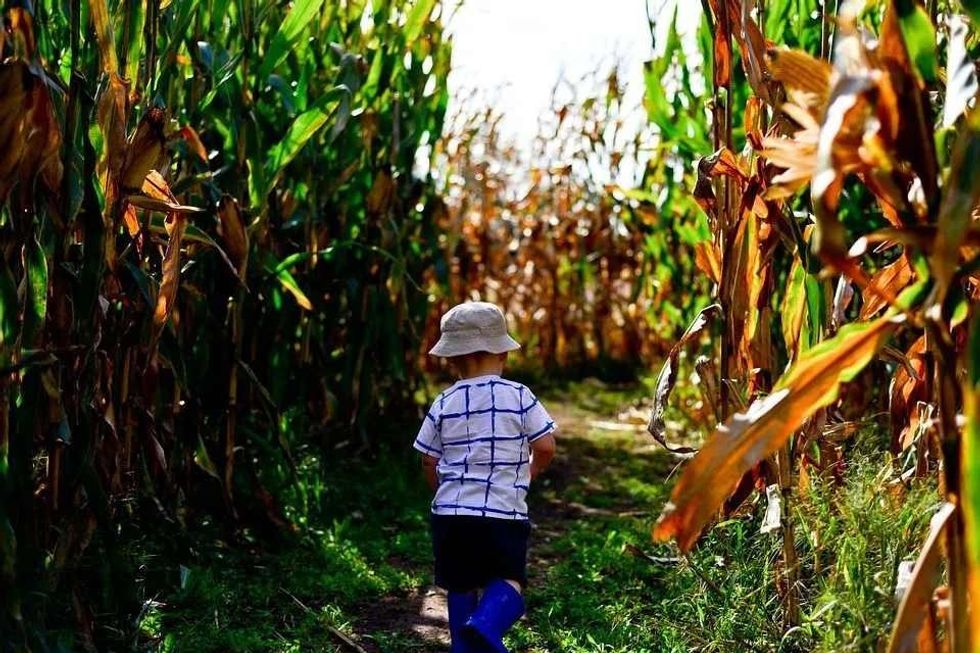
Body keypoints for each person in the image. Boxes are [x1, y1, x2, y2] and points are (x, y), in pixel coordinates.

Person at [414, 301, 557, 653]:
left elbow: (428, 460)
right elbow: (547, 445)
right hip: (502, 512)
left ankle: (463, 646)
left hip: (451, 516)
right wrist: (530, 470)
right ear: (502, 355)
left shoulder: (443, 401)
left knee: (460, 584)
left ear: (452, 360)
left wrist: (443, 492)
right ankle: (486, 623)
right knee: (509, 577)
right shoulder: (520, 395)